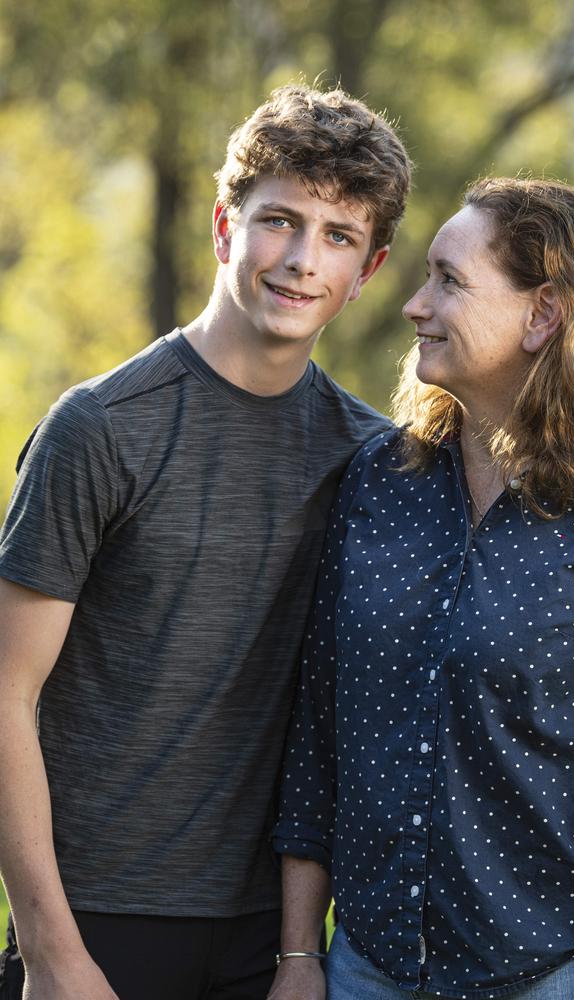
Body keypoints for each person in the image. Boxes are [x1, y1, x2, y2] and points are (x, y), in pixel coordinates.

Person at [0, 84, 411, 1000]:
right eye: (280, 222)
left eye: (337, 237)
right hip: (96, 919)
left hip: (264, 935)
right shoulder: (100, 428)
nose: (302, 262)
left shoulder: (371, 458)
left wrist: (304, 949)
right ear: (225, 227)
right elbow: (5, 689)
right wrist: (49, 953)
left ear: (370, 269)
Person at [271, 177, 574, 1000]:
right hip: (362, 970)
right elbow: (317, 735)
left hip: (554, 976)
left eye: (449, 279)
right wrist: (299, 953)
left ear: (542, 314)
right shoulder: (378, 479)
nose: (414, 304)